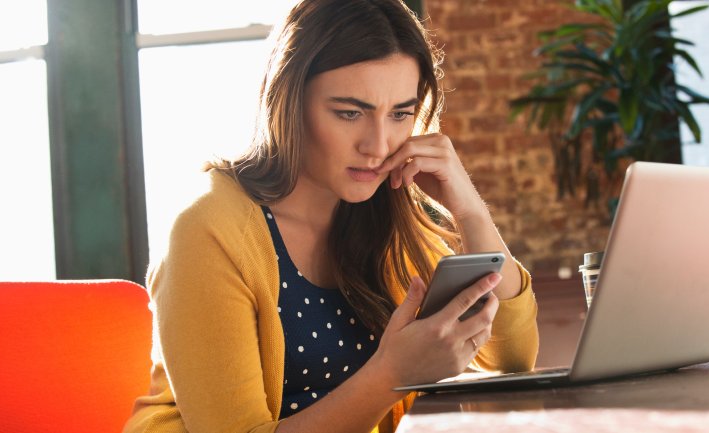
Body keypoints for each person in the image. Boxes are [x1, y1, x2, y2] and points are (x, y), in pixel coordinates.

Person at [124, 1, 538, 432]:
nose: (378, 145)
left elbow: (511, 359)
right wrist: (391, 375)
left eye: (400, 113)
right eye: (349, 113)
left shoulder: (380, 208)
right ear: (289, 101)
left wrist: (469, 209)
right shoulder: (208, 229)